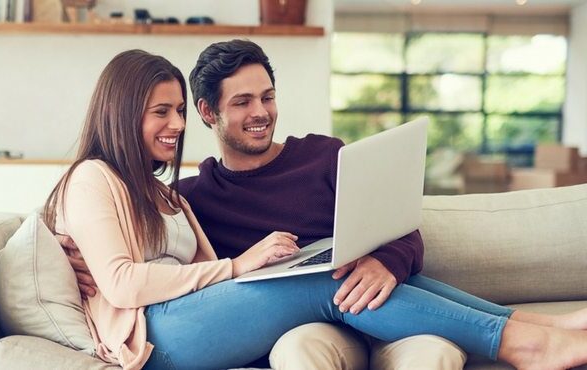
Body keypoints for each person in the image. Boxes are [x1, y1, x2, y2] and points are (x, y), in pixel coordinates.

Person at [45, 48, 587, 370]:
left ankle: (537, 324)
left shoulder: (168, 193)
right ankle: (531, 344)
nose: (177, 125)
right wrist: (237, 265)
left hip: (195, 316)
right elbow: (120, 282)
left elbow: (399, 227)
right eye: (161, 112)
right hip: (157, 336)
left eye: (178, 110)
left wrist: (384, 259)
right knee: (320, 274)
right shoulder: (102, 178)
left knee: (332, 265)